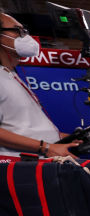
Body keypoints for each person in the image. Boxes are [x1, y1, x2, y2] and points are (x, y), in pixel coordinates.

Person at [0, 13, 82, 162]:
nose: (25, 36)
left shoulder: (11, 74)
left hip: (44, 162)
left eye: (25, 31)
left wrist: (66, 139)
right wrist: (47, 147)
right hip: (22, 166)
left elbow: (20, 127)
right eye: (18, 31)